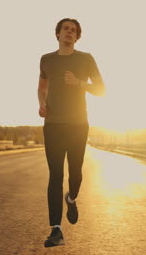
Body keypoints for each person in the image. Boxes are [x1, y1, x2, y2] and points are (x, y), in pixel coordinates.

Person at [37, 18, 105, 247]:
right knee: (55, 175)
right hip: (53, 124)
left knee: (75, 173)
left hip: (78, 124)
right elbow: (42, 88)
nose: (69, 32)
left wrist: (79, 83)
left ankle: (72, 198)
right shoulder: (46, 59)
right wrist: (41, 104)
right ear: (57, 34)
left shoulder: (86, 59)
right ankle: (56, 230)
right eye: (65, 28)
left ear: (77, 37)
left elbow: (101, 90)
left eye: (73, 30)